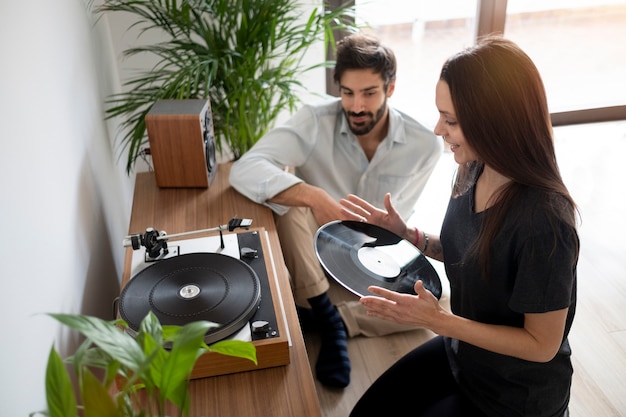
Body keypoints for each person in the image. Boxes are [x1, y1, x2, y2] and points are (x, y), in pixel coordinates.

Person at [341, 36, 579, 416]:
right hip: (463, 354)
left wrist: (439, 321)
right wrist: (408, 234)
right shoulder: (472, 169)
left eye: (450, 120)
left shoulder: (545, 223)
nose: (438, 129)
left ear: (495, 121)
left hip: (514, 398)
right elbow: (466, 249)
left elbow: (541, 344)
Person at [229, 32, 442, 388]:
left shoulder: (424, 146)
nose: (357, 106)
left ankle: (327, 320)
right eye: (347, 92)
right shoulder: (314, 120)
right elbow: (244, 168)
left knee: (436, 302)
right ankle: (325, 314)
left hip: (372, 255)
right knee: (290, 205)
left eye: (369, 93)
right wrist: (313, 195)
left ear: (390, 89)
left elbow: (394, 232)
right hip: (311, 252)